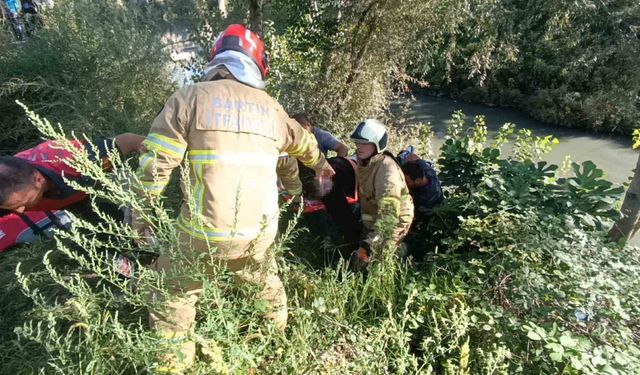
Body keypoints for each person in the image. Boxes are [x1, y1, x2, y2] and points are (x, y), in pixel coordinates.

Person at [132, 24, 334, 372]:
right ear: (258, 65)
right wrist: (322, 167)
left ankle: (171, 364)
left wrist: (141, 215)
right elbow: (305, 143)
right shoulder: (273, 109)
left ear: (216, 60)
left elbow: (155, 166)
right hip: (258, 234)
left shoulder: (189, 98)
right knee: (266, 284)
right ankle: (274, 343)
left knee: (170, 294)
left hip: (202, 234)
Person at [0, 133, 145, 252]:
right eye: (12, 207)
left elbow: (132, 140)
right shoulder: (9, 191)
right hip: (72, 200)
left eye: (23, 203)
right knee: (95, 244)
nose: (20, 210)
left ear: (38, 180)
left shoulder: (73, 159)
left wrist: (146, 194)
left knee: (140, 222)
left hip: (100, 182)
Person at [349, 119, 414, 271]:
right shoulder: (364, 160)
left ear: (377, 144)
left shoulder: (387, 169)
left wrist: (370, 243)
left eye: (364, 143)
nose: (358, 146)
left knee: (378, 263)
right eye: (357, 142)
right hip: (373, 216)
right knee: (361, 257)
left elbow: (389, 215)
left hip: (393, 219)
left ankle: (400, 252)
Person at [398, 150, 443, 216]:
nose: (404, 183)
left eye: (407, 182)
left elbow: (406, 207)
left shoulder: (427, 195)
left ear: (418, 181)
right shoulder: (425, 169)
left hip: (428, 212)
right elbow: (412, 156)